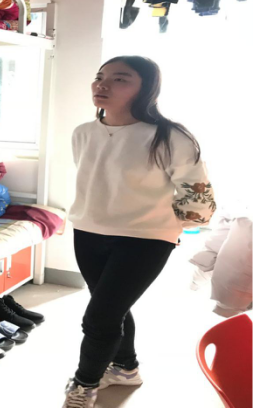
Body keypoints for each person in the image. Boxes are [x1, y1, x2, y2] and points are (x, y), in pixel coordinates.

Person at [63, 56, 216, 408]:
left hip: (146, 238)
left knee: (99, 316)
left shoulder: (169, 136)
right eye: (100, 76)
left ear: (145, 88)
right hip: (88, 230)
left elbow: (196, 193)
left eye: (120, 79)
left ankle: (85, 385)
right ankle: (125, 368)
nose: (102, 84)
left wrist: (170, 223)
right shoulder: (83, 133)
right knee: (111, 307)